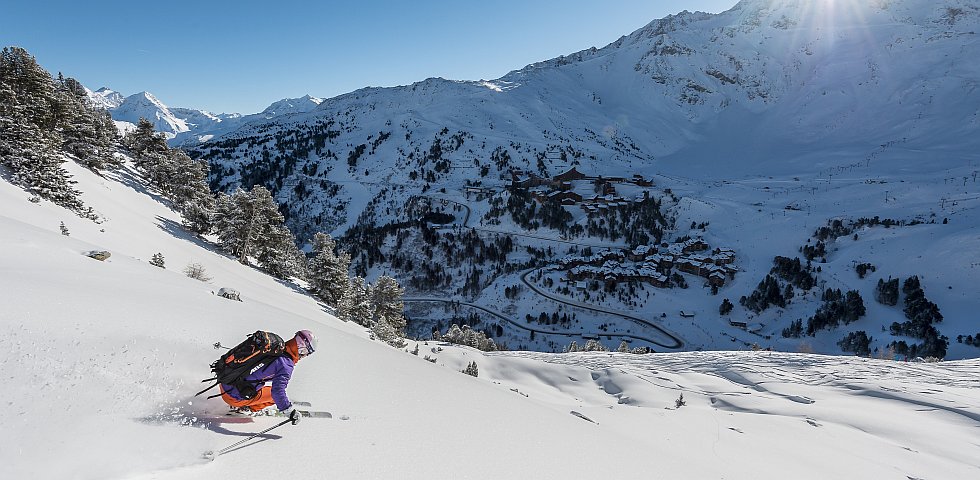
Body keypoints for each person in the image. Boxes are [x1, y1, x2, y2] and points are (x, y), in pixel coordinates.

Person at [220, 330, 316, 422]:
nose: (305, 356)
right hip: (233, 397)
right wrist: (288, 411)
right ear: (302, 348)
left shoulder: (274, 348)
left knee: (265, 387)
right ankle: (246, 409)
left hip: (225, 382)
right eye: (307, 353)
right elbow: (277, 392)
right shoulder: (286, 365)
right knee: (272, 395)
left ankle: (244, 401)